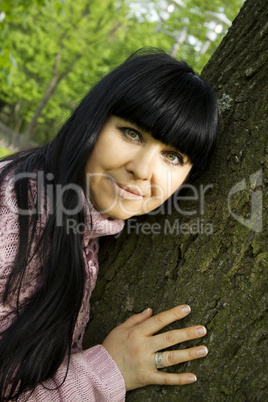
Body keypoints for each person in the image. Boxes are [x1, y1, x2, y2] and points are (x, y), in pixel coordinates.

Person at [0, 49, 218, 400]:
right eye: (132, 133)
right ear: (93, 119)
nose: (143, 169)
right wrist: (108, 371)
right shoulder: (14, 212)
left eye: (172, 156)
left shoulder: (86, 228)